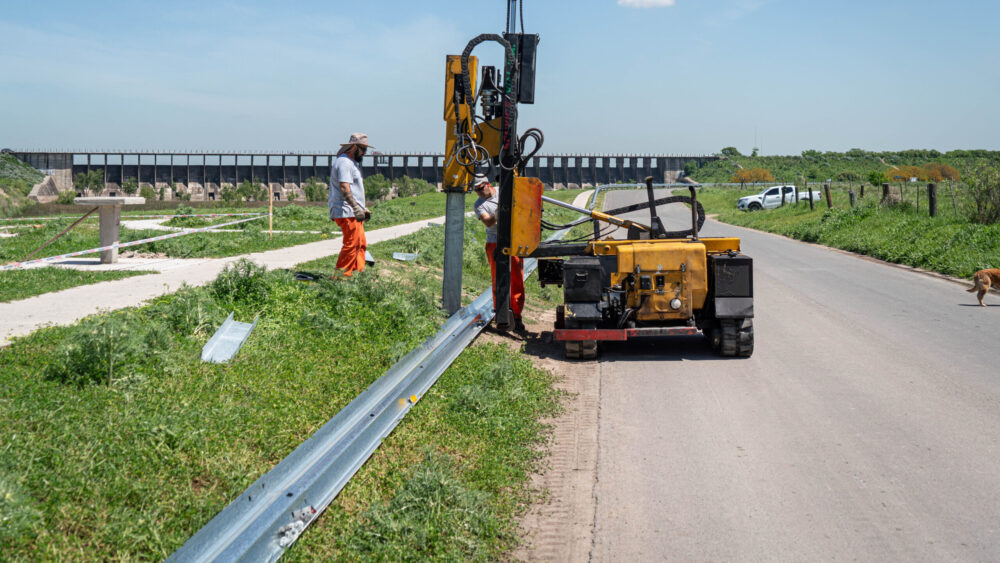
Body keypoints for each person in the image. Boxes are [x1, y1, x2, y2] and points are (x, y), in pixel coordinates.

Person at [472, 173, 525, 332]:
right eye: (476, 190)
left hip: (513, 239)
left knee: (516, 278)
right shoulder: (479, 205)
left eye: (481, 189)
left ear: (487, 184)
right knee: (498, 279)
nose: (479, 193)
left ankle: (516, 315)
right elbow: (488, 222)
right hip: (494, 242)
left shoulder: (504, 191)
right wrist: (501, 210)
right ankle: (500, 313)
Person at [329, 133, 372, 276]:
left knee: (361, 244)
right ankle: (340, 277)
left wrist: (362, 208)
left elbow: (354, 190)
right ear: (354, 147)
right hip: (346, 211)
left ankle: (358, 274)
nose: (365, 153)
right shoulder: (344, 163)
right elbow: (344, 187)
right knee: (352, 244)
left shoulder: (351, 163)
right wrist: (355, 207)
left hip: (353, 211)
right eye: (363, 150)